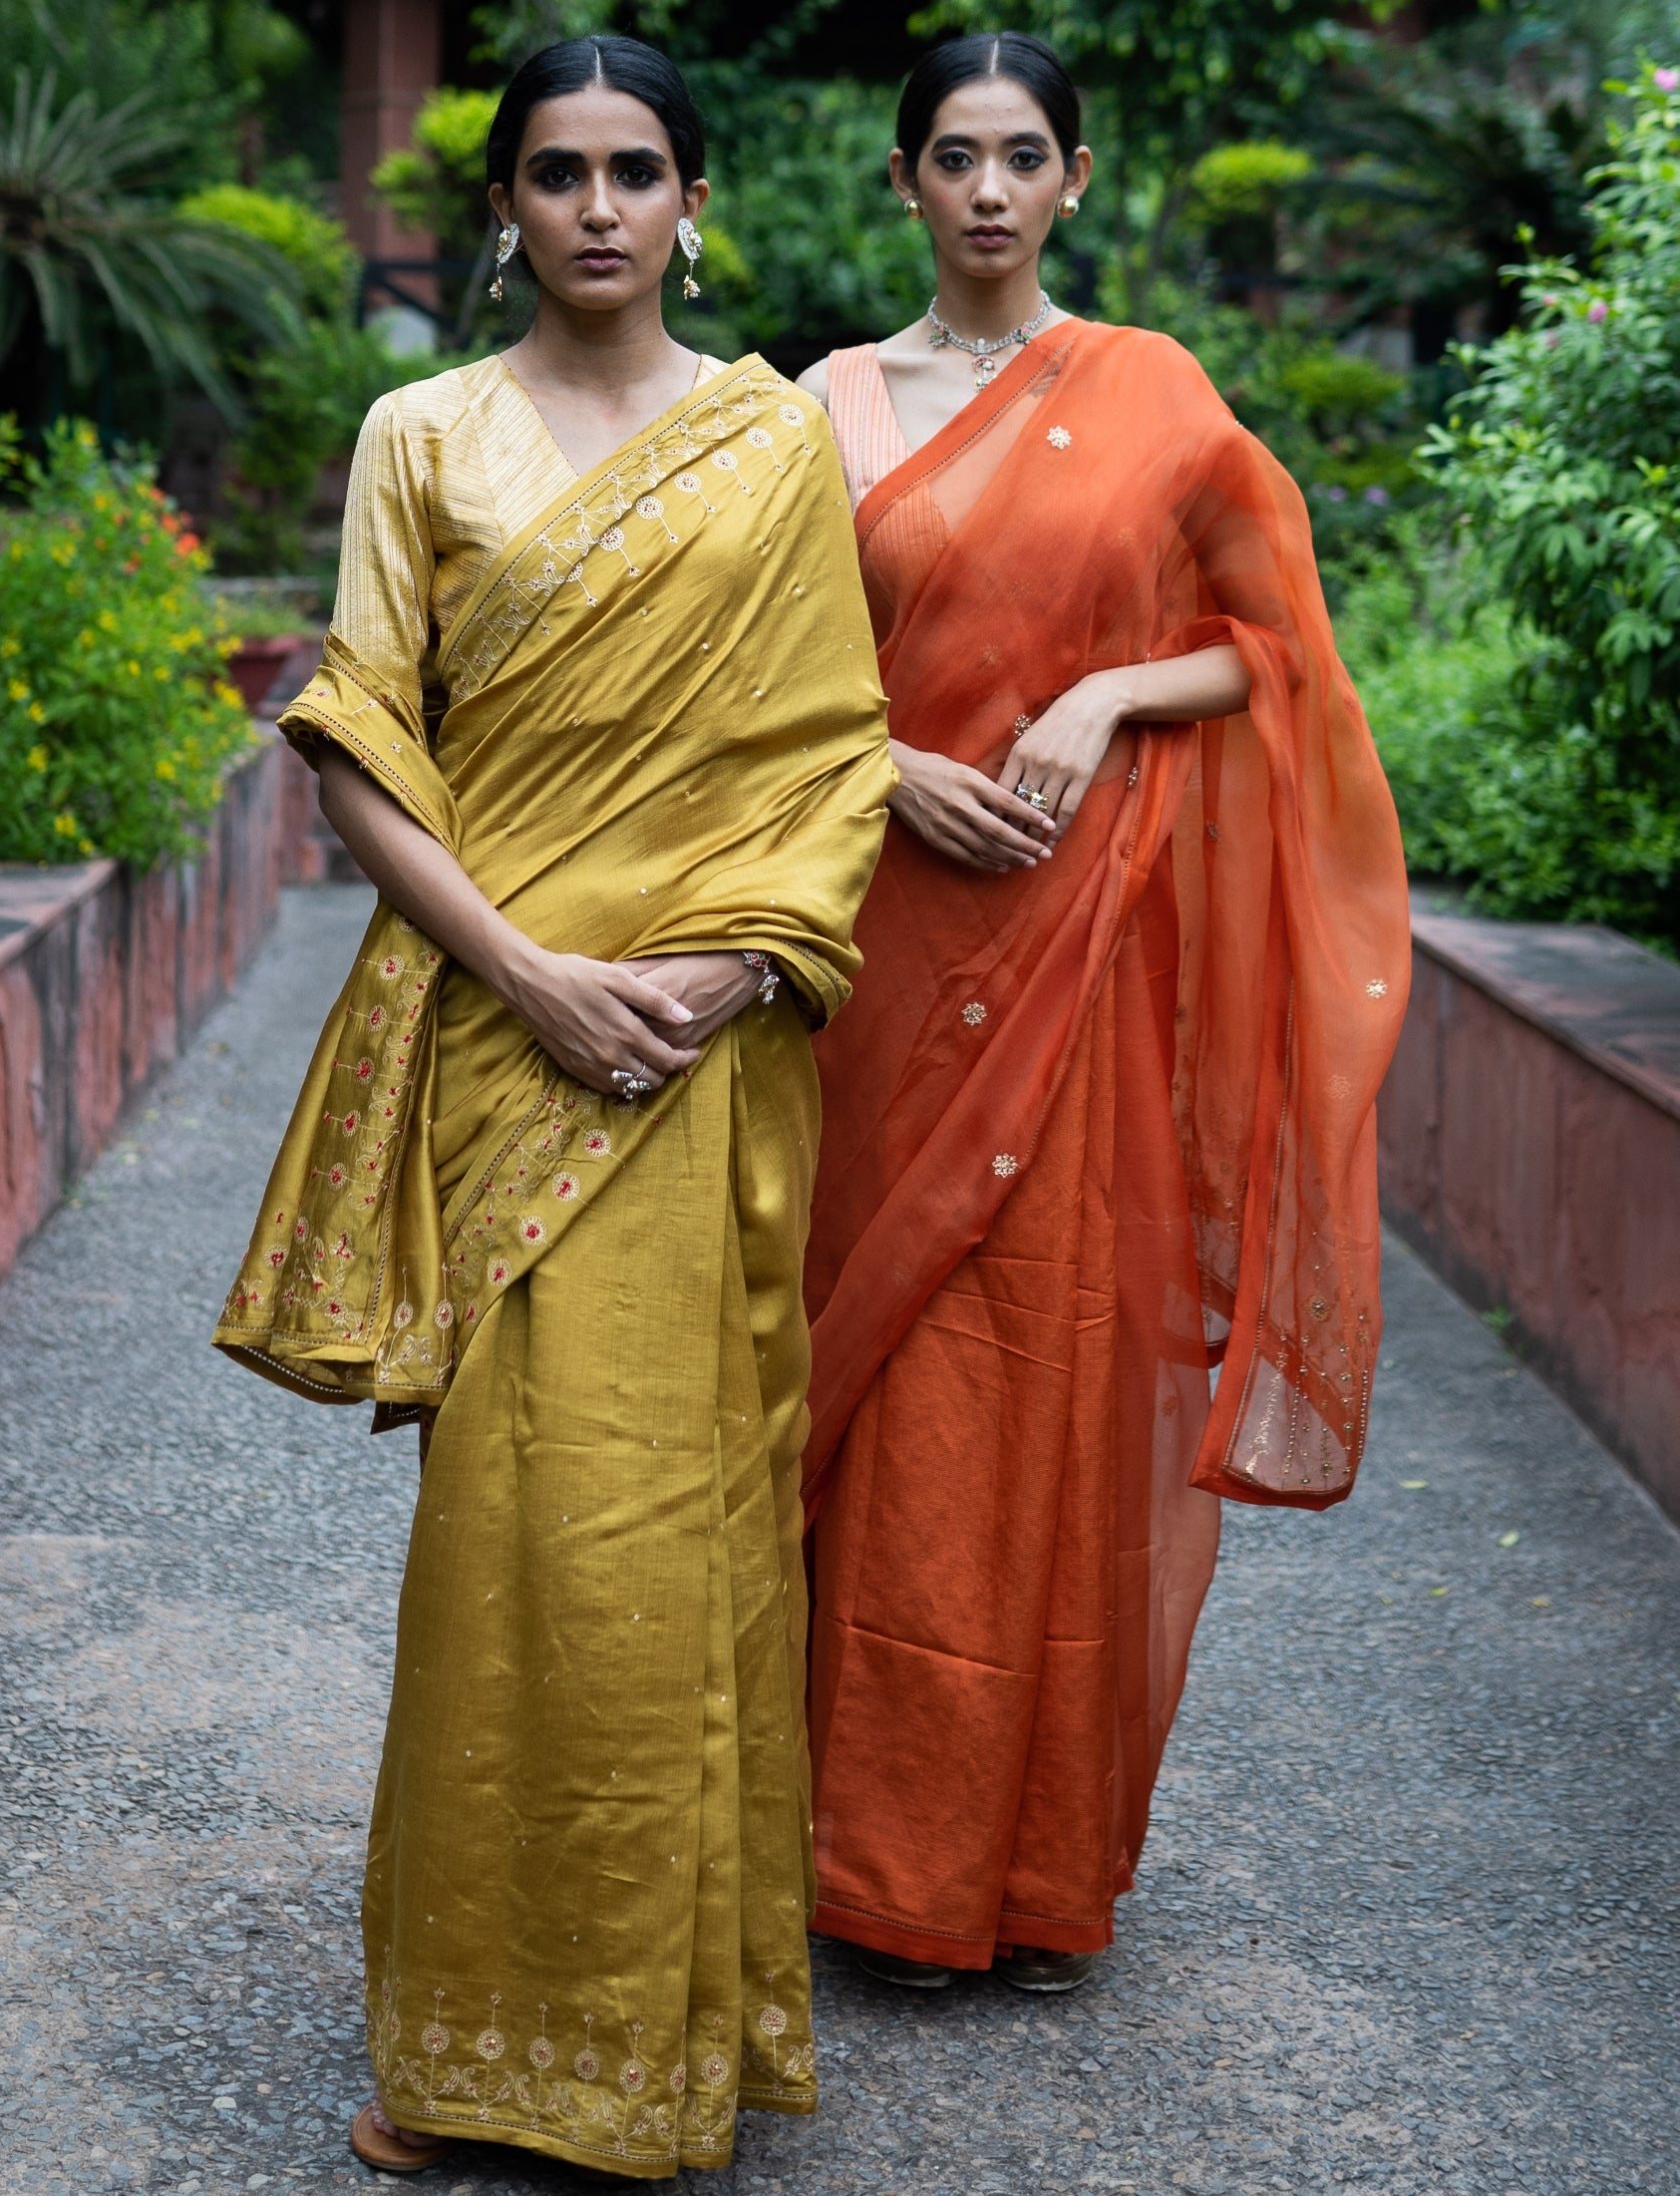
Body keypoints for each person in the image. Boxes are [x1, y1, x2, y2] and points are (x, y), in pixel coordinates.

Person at [213, 34, 893, 2179]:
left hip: (699, 1054)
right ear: (501, 204)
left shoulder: (767, 444)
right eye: (554, 173)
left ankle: (666, 2048)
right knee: (510, 1549)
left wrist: (702, 978)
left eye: (635, 171)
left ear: (697, 201)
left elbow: (828, 750)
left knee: (683, 1529)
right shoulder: (422, 433)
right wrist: (533, 974)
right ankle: (475, 2053)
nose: (596, 208)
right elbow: (357, 741)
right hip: (508, 1041)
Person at [797, 32, 1409, 1997]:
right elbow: (772, 676)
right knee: (869, 1381)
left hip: (1074, 963)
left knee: (1032, 1389)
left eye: (1020, 157)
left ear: (1074, 177)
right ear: (900, 180)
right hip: (878, 953)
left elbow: (1270, 653)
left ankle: (1010, 1856)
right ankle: (839, 1846)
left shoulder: (1151, 399)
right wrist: (885, 768)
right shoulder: (820, 406)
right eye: (951, 157)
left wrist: (1100, 698)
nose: (985, 189)